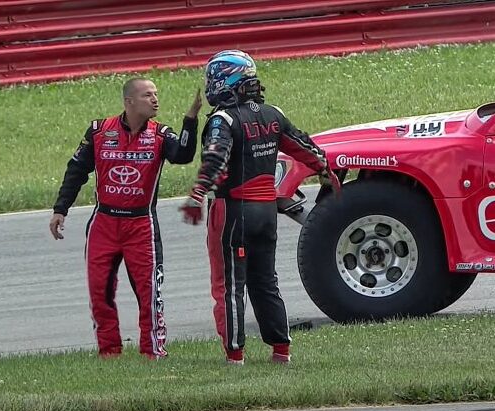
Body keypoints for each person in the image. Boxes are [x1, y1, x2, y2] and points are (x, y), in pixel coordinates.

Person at [179, 50, 341, 365]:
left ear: (225, 80)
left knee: (228, 285)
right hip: (267, 212)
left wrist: (197, 194)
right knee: (266, 281)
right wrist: (327, 175)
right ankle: (281, 351)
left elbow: (216, 159)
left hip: (232, 211)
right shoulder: (273, 113)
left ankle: (235, 355)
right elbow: (308, 149)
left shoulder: (221, 119)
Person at [50, 78, 202, 359]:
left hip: (141, 225)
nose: (155, 100)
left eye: (156, 94)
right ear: (129, 101)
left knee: (149, 294)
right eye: (148, 95)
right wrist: (61, 209)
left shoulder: (160, 134)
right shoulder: (98, 131)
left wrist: (190, 120)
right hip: (104, 223)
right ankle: (109, 353)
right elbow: (76, 171)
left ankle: (153, 353)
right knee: (100, 292)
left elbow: (183, 155)